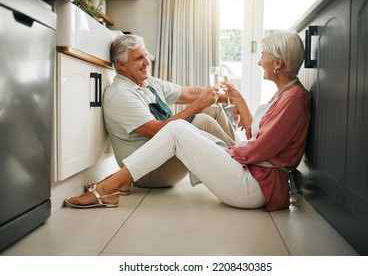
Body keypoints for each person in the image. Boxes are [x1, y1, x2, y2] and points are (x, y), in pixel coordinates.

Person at [65, 30, 311, 212]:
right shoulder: (286, 94)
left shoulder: (292, 98)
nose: (259, 61)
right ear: (121, 64)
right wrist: (228, 143)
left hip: (259, 185)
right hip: (253, 177)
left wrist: (228, 145)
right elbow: (259, 141)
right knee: (178, 128)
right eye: (139, 58)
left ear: (278, 63)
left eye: (263, 56)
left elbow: (260, 146)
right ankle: (114, 184)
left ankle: (108, 187)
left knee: (182, 128)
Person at [103, 34, 238, 190]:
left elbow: (188, 93)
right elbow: (158, 131)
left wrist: (231, 99)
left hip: (166, 156)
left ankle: (244, 156)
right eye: (139, 58)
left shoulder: (148, 83)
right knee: (202, 121)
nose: (147, 62)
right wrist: (197, 106)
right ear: (121, 64)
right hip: (147, 171)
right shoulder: (121, 94)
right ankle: (244, 168)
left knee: (213, 111)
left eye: (146, 55)